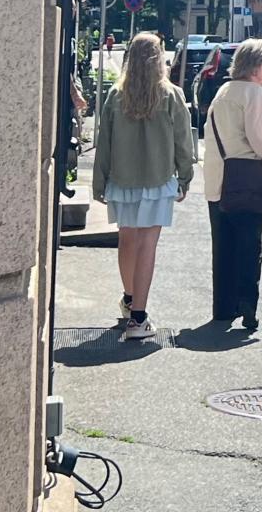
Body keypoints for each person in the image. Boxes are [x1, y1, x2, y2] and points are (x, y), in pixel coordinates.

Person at [90, 33, 195, 342]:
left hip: (122, 179)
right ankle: (138, 318)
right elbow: (183, 142)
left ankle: (129, 299)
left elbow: (104, 142)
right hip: (157, 179)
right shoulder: (171, 95)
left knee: (127, 240)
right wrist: (185, 177)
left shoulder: (116, 95)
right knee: (147, 245)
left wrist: (99, 182)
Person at [204, 38, 262, 331]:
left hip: (217, 178)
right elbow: (257, 138)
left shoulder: (224, 91)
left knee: (223, 247)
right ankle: (247, 305)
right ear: (255, 66)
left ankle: (223, 307)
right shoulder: (254, 93)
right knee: (250, 246)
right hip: (245, 181)